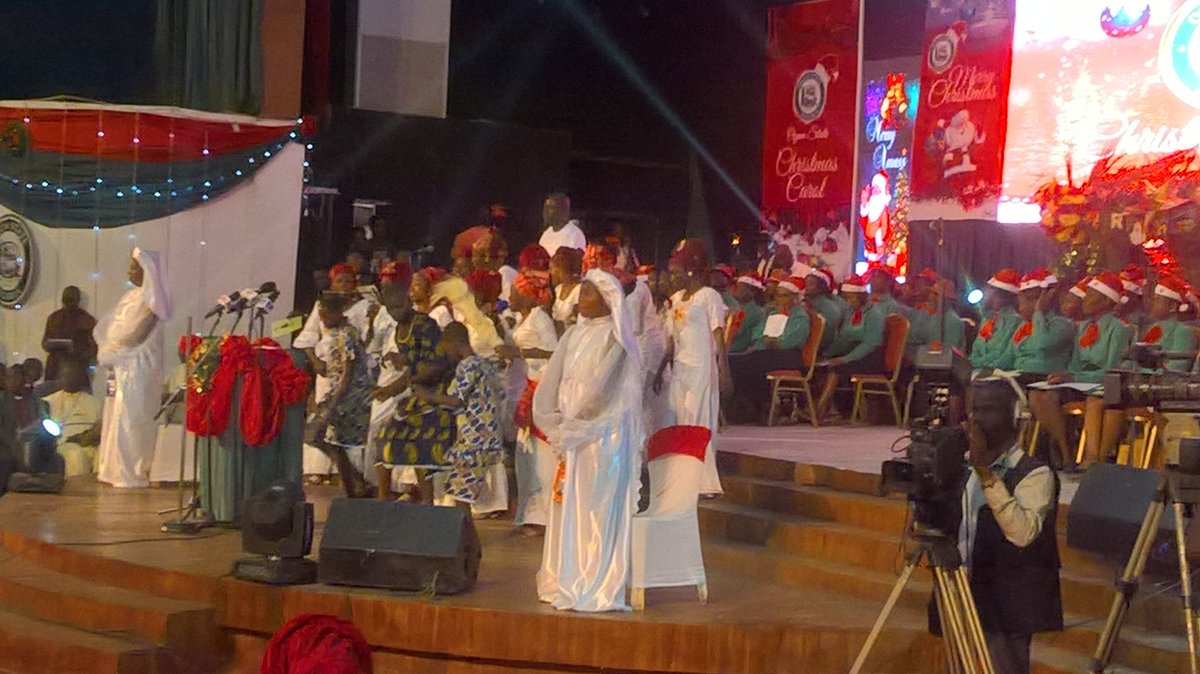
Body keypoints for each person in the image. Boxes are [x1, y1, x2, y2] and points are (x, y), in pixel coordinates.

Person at [533, 269, 643, 612]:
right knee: (568, 502)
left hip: (602, 434)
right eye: (580, 293)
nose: (581, 299)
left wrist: (576, 424)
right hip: (571, 431)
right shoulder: (572, 335)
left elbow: (602, 391)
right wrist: (551, 419)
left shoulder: (616, 337)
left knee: (594, 505)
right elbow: (551, 380)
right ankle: (565, 575)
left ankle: (593, 581)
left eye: (589, 293)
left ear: (609, 299)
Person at [953, 378, 1062, 674]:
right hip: (967, 589)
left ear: (1016, 417)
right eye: (974, 410)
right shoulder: (964, 468)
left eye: (988, 410)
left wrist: (987, 475)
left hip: (1008, 602)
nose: (977, 419)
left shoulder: (1036, 473)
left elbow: (1023, 533)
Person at [1028, 272, 1133, 469]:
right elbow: (1075, 363)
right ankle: (1066, 451)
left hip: (1102, 384)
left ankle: (1092, 457)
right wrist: (1065, 377)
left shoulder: (1117, 329)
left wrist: (1075, 376)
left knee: (1095, 401)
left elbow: (1112, 370)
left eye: (1091, 295)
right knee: (1038, 395)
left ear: (1105, 300)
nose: (1085, 299)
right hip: (1081, 382)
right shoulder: (1083, 327)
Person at [655, 239, 729, 496]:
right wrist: (662, 367)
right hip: (680, 370)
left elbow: (718, 336)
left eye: (676, 272)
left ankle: (704, 482)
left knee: (699, 421)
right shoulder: (676, 299)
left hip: (701, 369)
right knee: (679, 419)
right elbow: (672, 340)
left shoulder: (709, 297)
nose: (672, 278)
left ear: (691, 271)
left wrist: (724, 370)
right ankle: (683, 477)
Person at [95, 248, 170, 488]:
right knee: (115, 415)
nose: (129, 270)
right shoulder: (130, 296)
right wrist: (106, 347)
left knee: (131, 418)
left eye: (134, 266)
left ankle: (132, 472)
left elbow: (135, 334)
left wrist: (114, 348)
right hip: (119, 366)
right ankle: (113, 469)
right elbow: (110, 326)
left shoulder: (153, 301)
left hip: (137, 368)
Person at [411, 322, 506, 508]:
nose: (447, 354)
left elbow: (457, 400)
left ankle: (464, 536)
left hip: (474, 439)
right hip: (488, 436)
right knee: (460, 495)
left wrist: (428, 396)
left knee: (460, 497)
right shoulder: (485, 364)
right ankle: (465, 537)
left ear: (453, 344)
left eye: (446, 349)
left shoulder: (467, 366)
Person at [500, 270, 559, 535]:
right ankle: (529, 512)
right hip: (528, 384)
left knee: (541, 452)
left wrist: (520, 353)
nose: (509, 296)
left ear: (525, 295)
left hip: (543, 386)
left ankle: (545, 516)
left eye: (513, 292)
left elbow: (554, 353)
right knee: (526, 452)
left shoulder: (540, 318)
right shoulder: (522, 319)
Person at [304, 294, 375, 498]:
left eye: (326, 315)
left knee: (325, 437)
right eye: (320, 315)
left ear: (338, 313)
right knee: (323, 438)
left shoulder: (346, 334)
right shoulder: (336, 333)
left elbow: (348, 372)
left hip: (349, 396)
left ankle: (352, 486)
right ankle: (354, 482)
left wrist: (333, 403)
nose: (323, 320)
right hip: (337, 392)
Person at [729, 277, 811, 422]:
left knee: (752, 364)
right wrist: (760, 345)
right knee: (736, 361)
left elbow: (795, 339)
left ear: (793, 297)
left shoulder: (800, 316)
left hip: (788, 355)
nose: (778, 299)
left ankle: (762, 406)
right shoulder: (772, 314)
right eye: (777, 295)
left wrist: (774, 342)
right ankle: (751, 405)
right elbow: (758, 333)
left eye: (782, 295)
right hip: (768, 351)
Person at [814, 274, 890, 422]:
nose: (849, 302)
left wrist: (845, 359)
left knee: (836, 369)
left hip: (869, 356)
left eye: (852, 298)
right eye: (847, 298)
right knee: (823, 367)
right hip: (852, 352)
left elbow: (870, 343)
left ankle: (820, 409)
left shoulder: (874, 314)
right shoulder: (849, 313)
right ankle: (833, 410)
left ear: (861, 297)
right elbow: (843, 338)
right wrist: (828, 355)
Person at [993, 269, 1074, 382]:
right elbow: (1008, 357)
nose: (1022, 305)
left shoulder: (1062, 324)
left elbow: (1041, 346)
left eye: (1030, 299)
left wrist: (1038, 311)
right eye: (1022, 299)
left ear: (1046, 299)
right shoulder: (1023, 325)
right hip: (1018, 377)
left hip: (1045, 379)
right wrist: (989, 370)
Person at [41, 357, 102, 478]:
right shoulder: (47, 402)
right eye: (66, 375)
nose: (71, 378)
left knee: (106, 454)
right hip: (66, 444)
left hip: (92, 442)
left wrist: (91, 437)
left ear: (81, 378)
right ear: (60, 377)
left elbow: (101, 428)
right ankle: (78, 494)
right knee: (76, 455)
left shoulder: (95, 402)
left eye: (75, 375)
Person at [41, 285, 98, 383]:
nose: (68, 303)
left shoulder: (86, 319)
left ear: (78, 300)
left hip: (77, 367)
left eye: (71, 299)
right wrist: (51, 344)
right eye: (66, 299)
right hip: (55, 367)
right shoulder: (54, 317)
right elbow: (44, 343)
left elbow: (94, 348)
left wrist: (78, 350)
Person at [971, 269, 1024, 370]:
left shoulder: (1016, 321)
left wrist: (979, 365)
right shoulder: (987, 319)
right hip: (979, 373)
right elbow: (976, 350)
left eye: (991, 291)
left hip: (1001, 376)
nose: (986, 294)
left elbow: (1003, 354)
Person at [803, 267, 846, 351]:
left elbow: (829, 332)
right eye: (806, 284)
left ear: (821, 287)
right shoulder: (803, 302)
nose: (806, 287)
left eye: (811, 284)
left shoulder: (828, 306)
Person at [538, 192, 586, 257]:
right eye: (546, 208)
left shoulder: (574, 235)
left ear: (563, 210)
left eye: (551, 208)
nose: (546, 212)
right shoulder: (546, 234)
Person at [729, 273, 767, 354]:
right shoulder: (732, 307)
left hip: (741, 354)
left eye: (741, 288)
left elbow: (758, 337)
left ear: (752, 292)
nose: (736, 290)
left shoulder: (758, 312)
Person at [550, 247, 583, 335]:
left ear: (561, 270)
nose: (550, 273)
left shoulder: (579, 290)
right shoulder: (558, 289)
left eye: (552, 269)